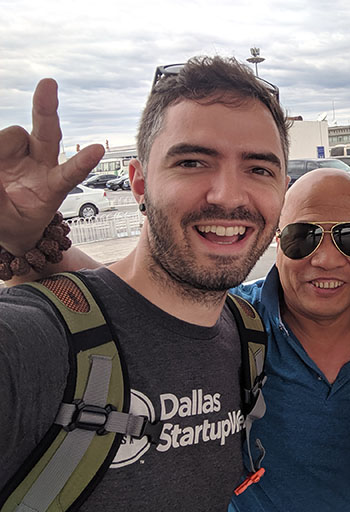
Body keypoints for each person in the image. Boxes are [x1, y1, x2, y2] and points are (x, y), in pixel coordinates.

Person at [0, 56, 290, 510]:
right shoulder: (39, 339)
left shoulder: (247, 336)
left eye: (259, 169)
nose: (230, 196)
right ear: (138, 183)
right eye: (193, 161)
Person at [229, 168, 350, 511]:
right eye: (304, 237)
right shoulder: (231, 320)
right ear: (277, 243)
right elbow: (135, 305)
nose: (326, 259)